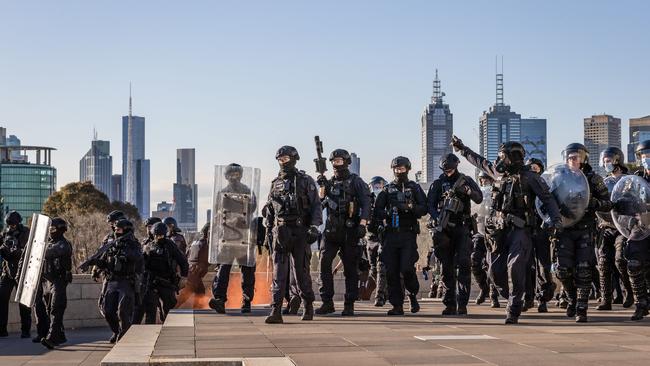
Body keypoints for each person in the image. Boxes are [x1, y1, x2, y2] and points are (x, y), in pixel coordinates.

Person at [452, 136, 562, 324]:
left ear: (515, 157)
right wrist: (462, 149)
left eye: (504, 157)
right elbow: (479, 161)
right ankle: (510, 295)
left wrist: (556, 220)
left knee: (516, 267)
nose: (500, 160)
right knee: (495, 271)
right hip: (498, 231)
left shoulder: (530, 178)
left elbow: (548, 199)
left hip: (521, 230)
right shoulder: (497, 174)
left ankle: (514, 308)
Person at [553, 143, 611, 322]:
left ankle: (582, 307)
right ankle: (571, 298)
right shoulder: (559, 178)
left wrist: (593, 203)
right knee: (562, 270)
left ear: (583, 158)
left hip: (585, 229)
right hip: (565, 229)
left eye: (576, 157)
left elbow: (608, 203)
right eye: (570, 157)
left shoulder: (594, 179)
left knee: (584, 270)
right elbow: (548, 200)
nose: (573, 160)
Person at [264, 146, 322, 324]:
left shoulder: (305, 180)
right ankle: (276, 310)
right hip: (280, 232)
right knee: (278, 274)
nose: (283, 162)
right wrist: (267, 231)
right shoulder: (275, 183)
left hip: (300, 231)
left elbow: (316, 205)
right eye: (280, 159)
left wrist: (314, 226)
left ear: (294, 159)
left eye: (286, 158)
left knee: (301, 271)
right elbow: (269, 209)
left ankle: (308, 306)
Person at [315, 149, 370, 316]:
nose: (336, 164)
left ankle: (349, 303)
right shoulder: (329, 182)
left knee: (350, 269)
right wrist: (322, 186)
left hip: (350, 229)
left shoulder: (356, 182)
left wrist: (362, 223)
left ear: (346, 162)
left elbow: (366, 203)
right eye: (334, 161)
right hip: (331, 230)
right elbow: (320, 203)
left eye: (339, 161)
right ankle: (327, 302)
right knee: (324, 264)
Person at [370, 156, 427, 316]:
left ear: (407, 169)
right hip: (391, 235)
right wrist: (389, 212)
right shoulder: (387, 190)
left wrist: (409, 207)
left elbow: (424, 208)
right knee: (391, 271)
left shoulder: (414, 188)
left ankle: (412, 295)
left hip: (408, 233)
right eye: (396, 169)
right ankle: (397, 305)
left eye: (401, 169)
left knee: (407, 268)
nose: (399, 172)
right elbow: (376, 212)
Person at [427, 153, 482, 315]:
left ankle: (462, 303)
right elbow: (430, 205)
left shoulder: (466, 180)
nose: (448, 172)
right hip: (444, 229)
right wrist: (437, 219)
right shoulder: (438, 184)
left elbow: (478, 198)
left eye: (450, 169)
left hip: (462, 227)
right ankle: (449, 303)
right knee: (446, 267)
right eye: (445, 170)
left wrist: (468, 191)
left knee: (464, 264)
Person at [80, 219, 143, 343]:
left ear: (126, 230)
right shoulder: (111, 244)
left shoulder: (133, 244)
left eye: (118, 229)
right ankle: (117, 331)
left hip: (126, 281)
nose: (115, 231)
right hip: (112, 281)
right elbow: (103, 261)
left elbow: (137, 257)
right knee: (108, 311)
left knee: (123, 312)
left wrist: (124, 250)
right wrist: (94, 263)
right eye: (115, 229)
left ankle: (124, 336)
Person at [209, 163, 258, 314]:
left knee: (247, 272)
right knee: (222, 270)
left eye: (237, 174)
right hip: (227, 238)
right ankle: (219, 300)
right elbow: (217, 213)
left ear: (241, 175)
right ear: (226, 176)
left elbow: (253, 208)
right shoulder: (222, 192)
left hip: (244, 237)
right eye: (231, 175)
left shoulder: (248, 191)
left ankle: (246, 301)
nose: (234, 177)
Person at [595, 147, 634, 311]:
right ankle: (606, 299)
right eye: (604, 161)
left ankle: (629, 293)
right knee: (603, 262)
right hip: (606, 226)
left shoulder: (629, 181)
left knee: (620, 260)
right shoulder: (603, 182)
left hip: (623, 228)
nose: (606, 164)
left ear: (617, 161)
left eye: (609, 160)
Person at [34, 218, 73, 349]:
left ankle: (52, 337)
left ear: (61, 230)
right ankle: (60, 335)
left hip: (59, 280)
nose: (50, 232)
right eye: (49, 229)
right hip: (47, 281)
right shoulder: (49, 243)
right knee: (49, 309)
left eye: (53, 229)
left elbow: (48, 252)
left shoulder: (63, 244)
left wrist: (37, 248)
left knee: (56, 309)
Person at [524, 158, 556, 313]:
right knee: (526, 265)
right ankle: (527, 298)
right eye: (530, 167)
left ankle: (542, 298)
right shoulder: (523, 185)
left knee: (543, 265)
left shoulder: (546, 185)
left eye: (535, 167)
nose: (533, 170)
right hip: (527, 229)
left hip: (542, 230)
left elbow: (552, 204)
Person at [142, 222, 188, 323]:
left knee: (169, 309)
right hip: (151, 282)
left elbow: (183, 261)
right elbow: (141, 264)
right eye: (157, 235)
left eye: (161, 235)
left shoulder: (170, 245)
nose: (159, 238)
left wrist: (184, 277)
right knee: (150, 309)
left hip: (166, 281)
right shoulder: (147, 245)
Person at [470, 171, 500, 308]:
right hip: (479, 233)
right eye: (482, 180)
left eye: (487, 180)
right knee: (474, 261)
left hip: (494, 234)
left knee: (492, 266)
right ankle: (484, 288)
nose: (484, 182)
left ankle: (494, 295)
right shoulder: (477, 195)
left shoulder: (497, 194)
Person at [0, 211, 31, 338]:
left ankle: (25, 330)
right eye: (9, 224)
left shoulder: (26, 232)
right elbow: (4, 252)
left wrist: (17, 249)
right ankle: (2, 330)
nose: (11, 227)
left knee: (24, 302)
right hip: (7, 271)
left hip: (21, 271)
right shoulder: (5, 233)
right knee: (1, 300)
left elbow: (28, 251)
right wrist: (3, 248)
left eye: (13, 224)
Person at [132, 216, 162, 324]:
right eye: (147, 227)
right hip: (143, 281)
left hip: (156, 283)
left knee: (151, 314)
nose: (148, 230)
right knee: (136, 313)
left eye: (150, 227)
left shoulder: (164, 243)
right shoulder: (144, 242)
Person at [367, 176, 389, 307]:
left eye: (380, 186)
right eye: (375, 186)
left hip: (383, 236)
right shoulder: (366, 200)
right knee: (373, 269)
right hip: (370, 237)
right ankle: (384, 290)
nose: (377, 188)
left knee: (381, 266)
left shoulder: (387, 199)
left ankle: (379, 295)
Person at [177, 222, 210, 308]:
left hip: (191, 272)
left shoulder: (195, 242)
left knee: (200, 293)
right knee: (182, 298)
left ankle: (197, 311)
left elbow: (187, 255)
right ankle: (166, 314)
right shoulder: (206, 244)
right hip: (194, 274)